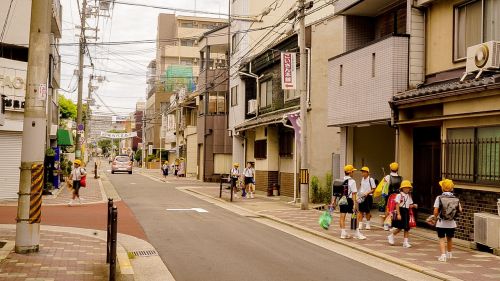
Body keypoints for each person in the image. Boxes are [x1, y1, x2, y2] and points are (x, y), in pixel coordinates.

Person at [434, 179, 462, 262]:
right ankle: (449, 253)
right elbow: (460, 209)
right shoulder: (455, 198)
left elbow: (436, 210)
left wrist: (435, 217)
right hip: (452, 223)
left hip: (441, 222)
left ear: (442, 188)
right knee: (449, 238)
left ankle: (443, 255)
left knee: (442, 238)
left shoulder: (439, 198)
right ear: (452, 189)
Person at [338, 165, 365, 239]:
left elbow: (337, 192)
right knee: (354, 216)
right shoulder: (352, 181)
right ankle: (357, 233)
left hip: (342, 199)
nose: (353, 172)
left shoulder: (340, 180)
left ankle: (343, 233)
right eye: (353, 171)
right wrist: (354, 204)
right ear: (350, 172)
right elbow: (354, 194)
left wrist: (333, 201)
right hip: (349, 200)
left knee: (342, 216)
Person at [387, 180, 417, 248]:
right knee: (400, 227)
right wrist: (398, 214)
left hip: (406, 212)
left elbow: (409, 205)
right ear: (402, 188)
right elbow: (397, 205)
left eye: (408, 188)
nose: (407, 189)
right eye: (405, 187)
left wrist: (414, 205)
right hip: (401, 211)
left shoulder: (409, 196)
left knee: (407, 228)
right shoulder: (399, 195)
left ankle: (405, 242)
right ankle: (391, 236)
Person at [383, 162, 403, 230]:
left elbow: (384, 188)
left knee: (388, 208)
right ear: (397, 169)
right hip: (398, 195)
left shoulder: (387, 177)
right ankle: (394, 224)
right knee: (395, 209)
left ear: (390, 168)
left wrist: (384, 196)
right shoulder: (401, 178)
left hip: (389, 195)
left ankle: (386, 225)